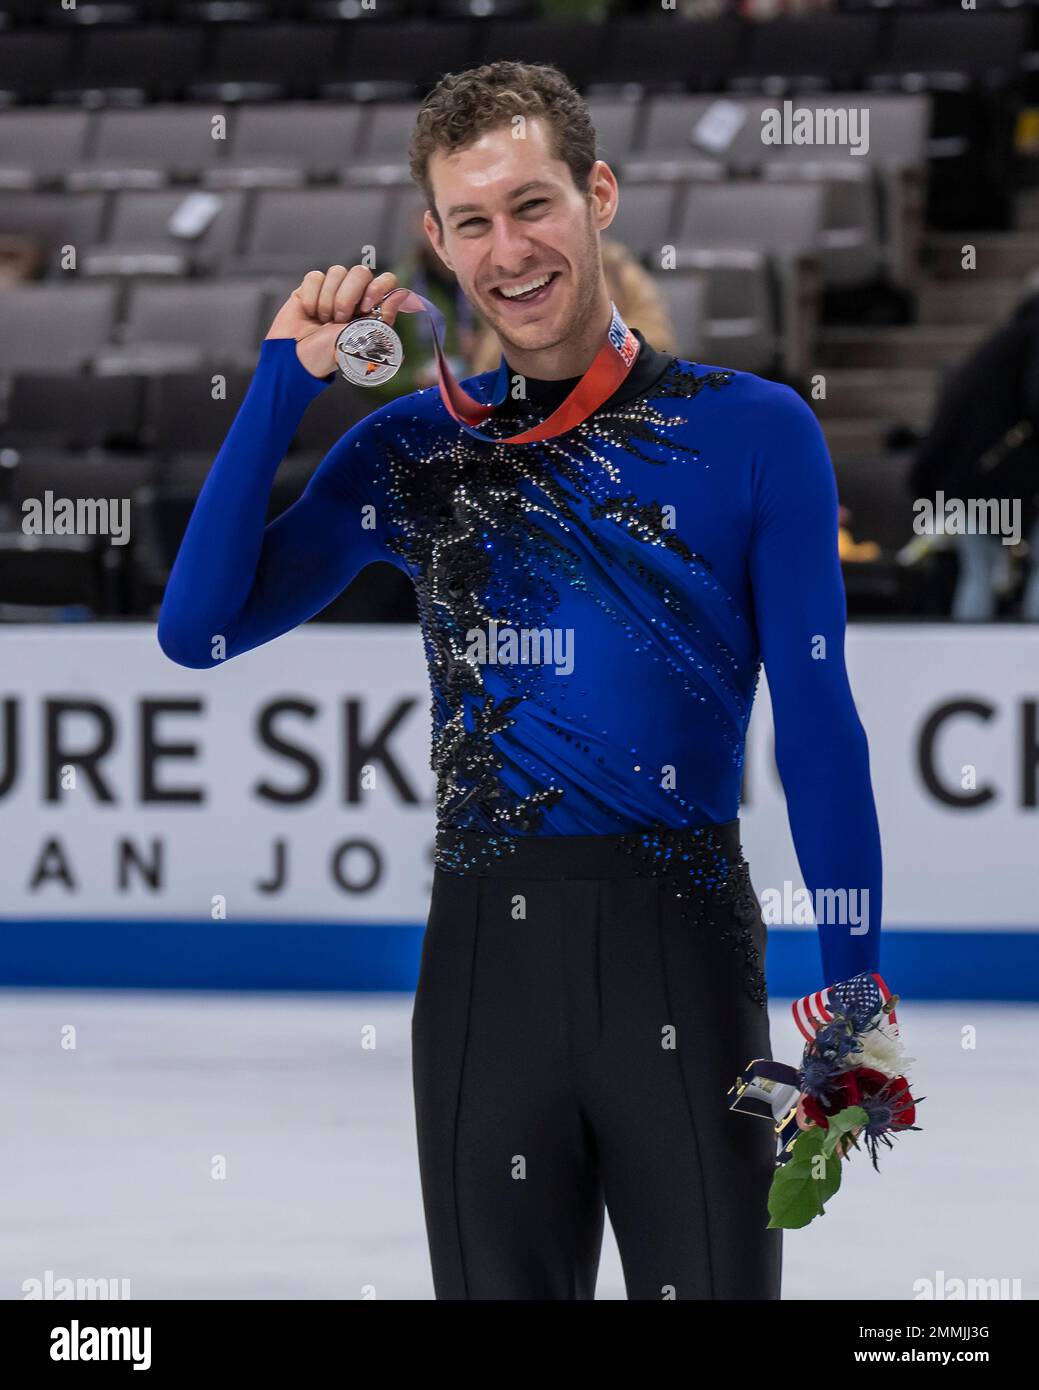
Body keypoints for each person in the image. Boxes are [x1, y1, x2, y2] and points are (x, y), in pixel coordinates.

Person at [157, 61, 884, 1301]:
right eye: (475, 221)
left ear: (597, 194)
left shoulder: (754, 430)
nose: (511, 248)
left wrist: (853, 980)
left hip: (689, 964)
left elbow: (818, 717)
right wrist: (283, 382)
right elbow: (197, 632)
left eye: (534, 203)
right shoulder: (412, 451)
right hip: (486, 976)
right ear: (436, 242)